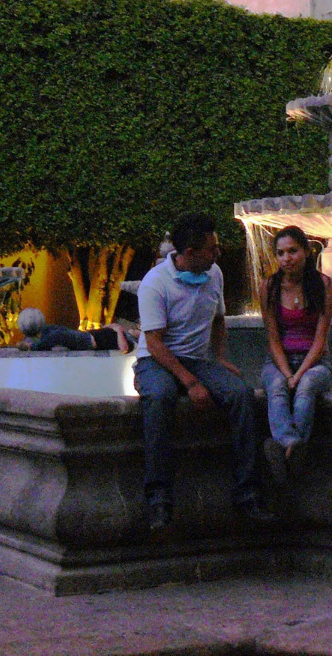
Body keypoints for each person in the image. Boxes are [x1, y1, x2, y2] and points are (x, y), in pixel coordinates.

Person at [133, 212, 268, 531]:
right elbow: (154, 344)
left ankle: (248, 493)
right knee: (161, 397)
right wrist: (191, 383)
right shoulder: (155, 283)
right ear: (190, 253)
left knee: (241, 395)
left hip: (199, 359)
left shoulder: (215, 274)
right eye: (212, 249)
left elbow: (219, 319)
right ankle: (158, 498)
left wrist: (218, 357)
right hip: (157, 360)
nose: (218, 253)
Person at [258, 226, 332, 485]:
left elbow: (320, 338)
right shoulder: (269, 287)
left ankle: (281, 450)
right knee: (277, 386)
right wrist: (288, 373)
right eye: (280, 253)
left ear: (306, 251)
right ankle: (294, 445)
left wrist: (300, 373)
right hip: (278, 362)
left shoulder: (325, 285)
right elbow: (272, 338)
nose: (286, 258)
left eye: (292, 251)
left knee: (307, 386)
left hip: (315, 362)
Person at [16, 308, 138, 353]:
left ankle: (33, 347)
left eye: (139, 329)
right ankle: (30, 338)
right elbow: (106, 327)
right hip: (86, 335)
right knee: (52, 328)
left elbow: (124, 349)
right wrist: (114, 327)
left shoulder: (132, 341)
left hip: (89, 342)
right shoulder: (123, 331)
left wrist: (119, 331)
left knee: (58, 335)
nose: (136, 328)